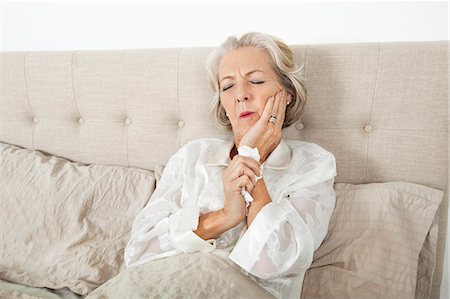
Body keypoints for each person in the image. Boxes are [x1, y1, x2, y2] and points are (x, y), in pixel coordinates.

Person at [124, 32, 337, 299]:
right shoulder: (193, 156)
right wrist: (225, 217)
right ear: (223, 104)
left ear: (287, 95)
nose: (241, 95)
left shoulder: (314, 165)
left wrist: (252, 157)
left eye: (256, 81)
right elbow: (137, 252)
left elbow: (275, 262)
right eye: (228, 86)